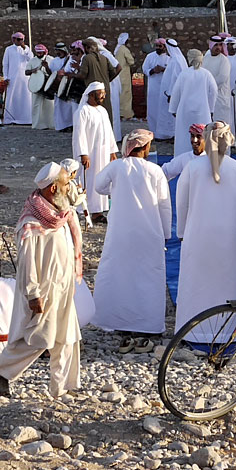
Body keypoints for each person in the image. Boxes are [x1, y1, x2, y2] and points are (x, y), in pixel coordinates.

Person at [0, 163, 83, 399]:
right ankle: (1, 369)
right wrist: (33, 294)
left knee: (67, 337)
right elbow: (27, 262)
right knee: (39, 338)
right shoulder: (32, 222)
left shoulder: (60, 214)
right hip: (44, 290)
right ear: (53, 188)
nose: (68, 187)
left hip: (63, 285)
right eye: (65, 183)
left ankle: (62, 387)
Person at [174, 122, 236, 341]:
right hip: (228, 240)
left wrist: (183, 231)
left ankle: (192, 331)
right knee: (226, 283)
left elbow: (181, 204)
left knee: (196, 283)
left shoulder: (192, 168)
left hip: (197, 237)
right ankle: (227, 331)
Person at [89, 128, 172, 335]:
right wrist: (165, 234)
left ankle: (114, 319)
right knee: (147, 277)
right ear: (144, 148)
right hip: (149, 233)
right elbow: (164, 205)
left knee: (118, 274)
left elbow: (99, 186)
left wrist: (116, 190)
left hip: (120, 233)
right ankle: (147, 324)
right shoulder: (155, 171)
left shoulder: (116, 167)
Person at [72, 82, 119, 221]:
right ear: (91, 94)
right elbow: (79, 135)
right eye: (101, 93)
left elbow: (109, 132)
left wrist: (112, 151)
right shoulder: (82, 111)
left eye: (104, 93)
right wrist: (83, 153)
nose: (103, 96)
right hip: (90, 154)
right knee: (89, 180)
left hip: (103, 153)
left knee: (102, 179)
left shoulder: (102, 111)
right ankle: (88, 210)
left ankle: (99, 212)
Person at [169, 48, 217, 138]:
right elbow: (214, 91)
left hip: (185, 110)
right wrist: (211, 109)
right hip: (202, 110)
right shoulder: (206, 74)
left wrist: (173, 109)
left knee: (184, 135)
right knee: (202, 136)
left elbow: (176, 92)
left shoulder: (184, 74)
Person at [151, 39, 183, 141]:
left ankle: (171, 134)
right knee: (166, 113)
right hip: (167, 92)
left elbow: (176, 78)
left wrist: (171, 93)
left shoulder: (176, 60)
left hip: (171, 93)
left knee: (170, 115)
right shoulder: (176, 59)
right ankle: (166, 134)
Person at [204, 35, 235, 134]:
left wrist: (209, 87)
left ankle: (224, 149)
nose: (218, 47)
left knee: (221, 125)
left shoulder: (224, 60)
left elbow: (222, 78)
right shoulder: (206, 58)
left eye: (220, 45)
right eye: (216, 45)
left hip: (220, 97)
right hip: (207, 96)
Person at [1, 32, 33, 125]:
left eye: (21, 40)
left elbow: (31, 59)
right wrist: (5, 77)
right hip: (12, 77)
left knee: (25, 97)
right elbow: (5, 64)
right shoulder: (9, 49)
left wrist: (25, 49)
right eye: (17, 39)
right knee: (12, 98)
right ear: (13, 40)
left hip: (24, 78)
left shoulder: (27, 49)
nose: (19, 41)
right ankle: (11, 118)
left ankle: (26, 119)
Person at [52, 42, 85, 131]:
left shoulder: (84, 59)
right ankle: (64, 126)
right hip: (68, 86)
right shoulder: (69, 58)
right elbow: (66, 70)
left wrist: (77, 68)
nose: (73, 52)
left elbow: (83, 73)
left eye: (74, 50)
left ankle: (77, 127)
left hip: (79, 87)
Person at [26, 43, 54, 130]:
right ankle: (37, 124)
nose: (39, 54)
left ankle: (50, 124)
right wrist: (32, 71)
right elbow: (26, 72)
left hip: (47, 85)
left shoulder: (50, 59)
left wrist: (47, 67)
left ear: (44, 52)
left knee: (49, 105)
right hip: (36, 85)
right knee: (36, 104)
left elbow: (52, 73)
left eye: (40, 52)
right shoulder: (32, 60)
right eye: (37, 52)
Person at [113, 32, 135, 121]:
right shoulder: (124, 49)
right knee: (126, 95)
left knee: (120, 94)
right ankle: (126, 113)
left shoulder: (117, 49)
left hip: (118, 75)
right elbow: (131, 61)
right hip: (124, 75)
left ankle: (120, 112)